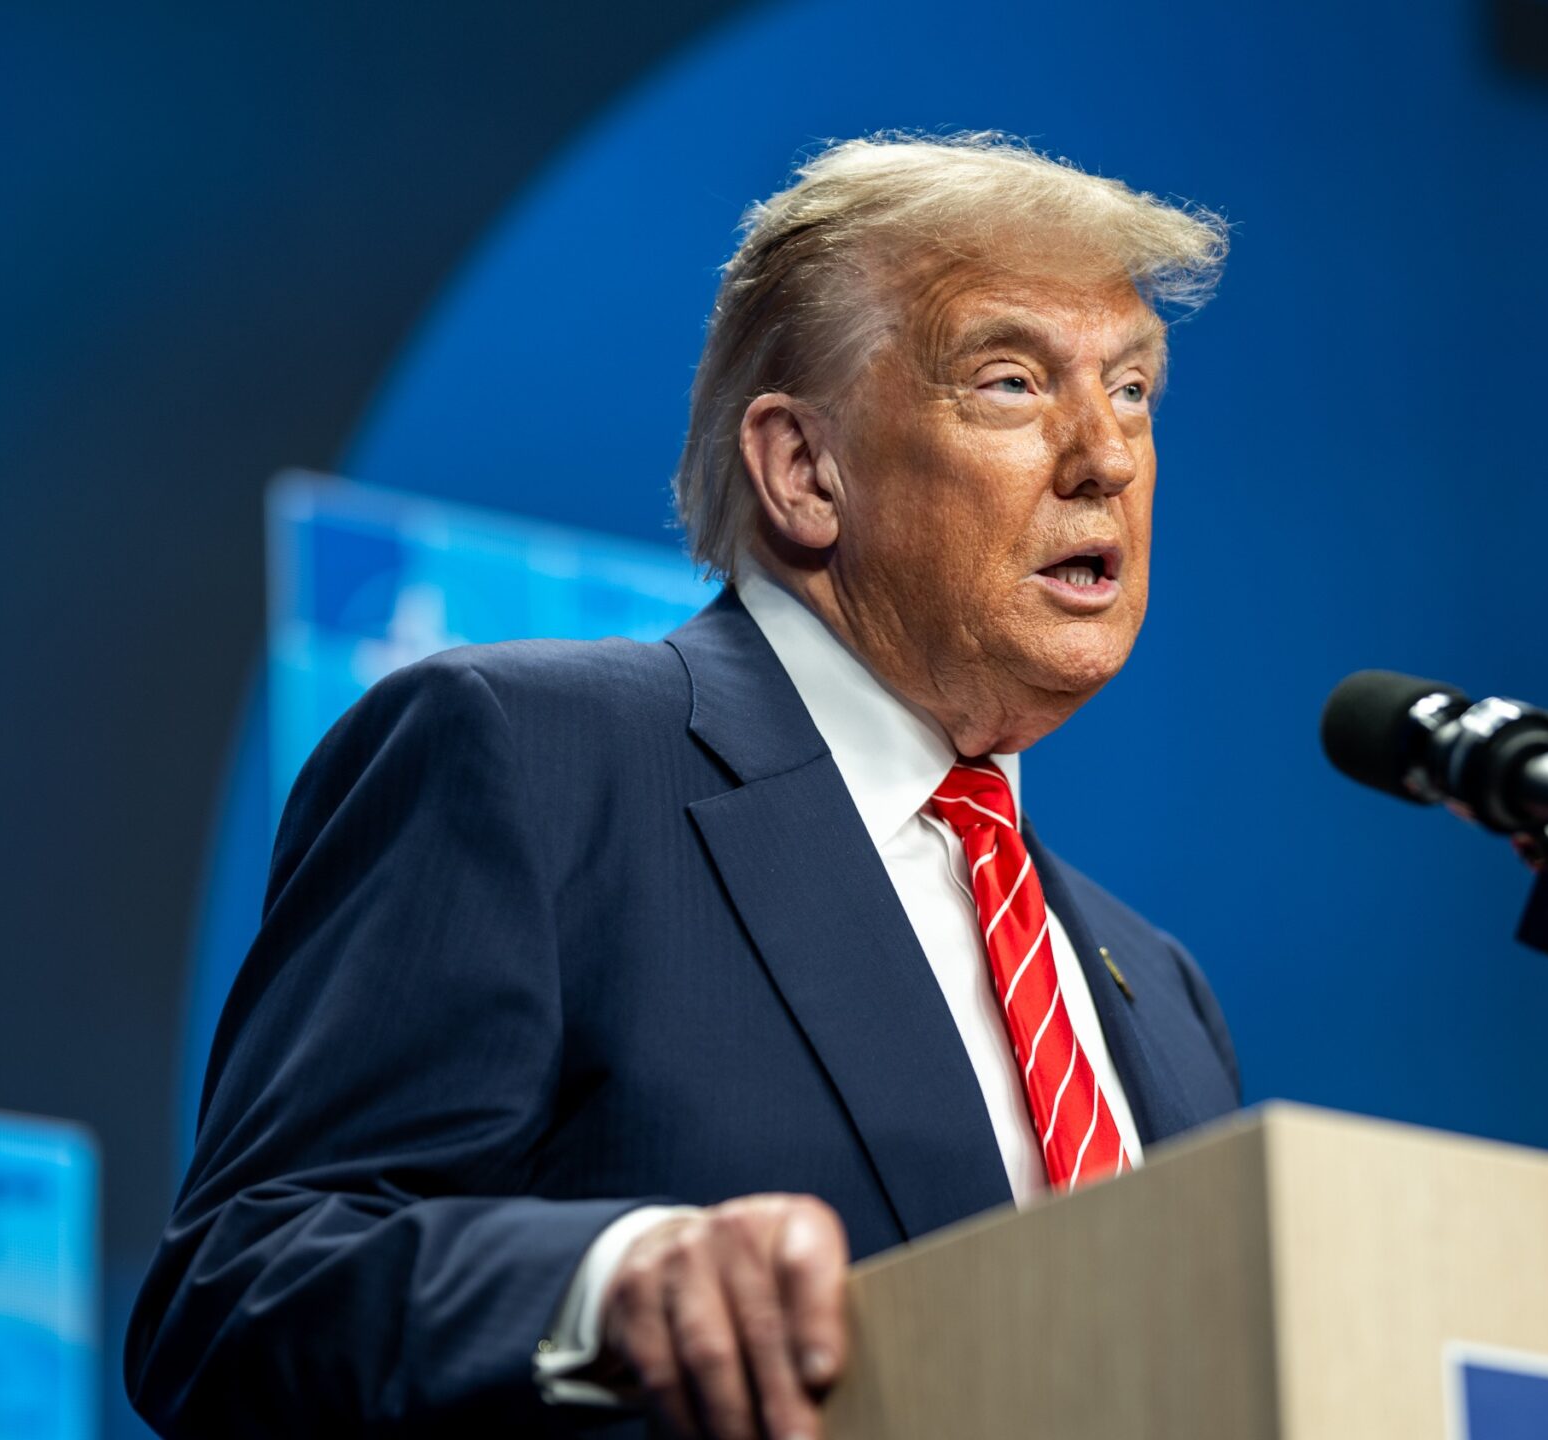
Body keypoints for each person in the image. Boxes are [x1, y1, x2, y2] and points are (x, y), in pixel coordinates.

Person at [126, 132, 1241, 1440]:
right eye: (1010, 381)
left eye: (1134, 390)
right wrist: (613, 1286)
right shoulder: (528, 757)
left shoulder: (1152, 989)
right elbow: (243, 1285)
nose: (1106, 455)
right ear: (803, 470)